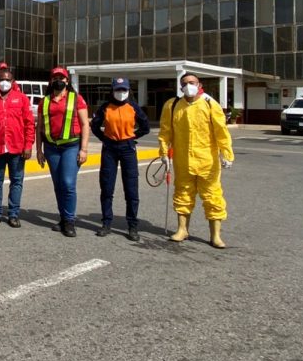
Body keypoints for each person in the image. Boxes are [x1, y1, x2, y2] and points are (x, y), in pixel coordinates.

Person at [158, 72, 234, 248]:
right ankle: (182, 229)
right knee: (182, 194)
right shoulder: (172, 105)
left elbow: (221, 131)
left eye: (192, 82)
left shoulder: (209, 104)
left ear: (199, 84)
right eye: (184, 83)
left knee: (213, 196)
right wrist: (163, 152)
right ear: (180, 87)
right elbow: (165, 131)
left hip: (207, 161)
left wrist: (227, 153)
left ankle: (215, 235)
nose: (188, 85)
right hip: (182, 160)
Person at [90, 77, 150, 241]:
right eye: (118, 90)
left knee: (131, 189)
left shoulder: (133, 107)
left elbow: (145, 126)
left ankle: (132, 226)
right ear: (112, 91)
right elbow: (95, 126)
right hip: (109, 148)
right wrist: (104, 138)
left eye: (124, 90)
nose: (121, 93)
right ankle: (106, 223)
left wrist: (132, 137)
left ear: (129, 91)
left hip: (128, 149)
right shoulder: (105, 107)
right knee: (107, 187)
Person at [36, 67, 90, 237]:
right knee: (58, 185)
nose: (58, 80)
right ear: (51, 81)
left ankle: (69, 220)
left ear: (67, 81)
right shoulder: (44, 101)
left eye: (62, 77)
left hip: (71, 147)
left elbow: (84, 125)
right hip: (51, 148)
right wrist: (38, 150)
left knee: (67, 183)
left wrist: (84, 149)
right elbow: (40, 128)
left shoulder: (76, 99)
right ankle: (63, 218)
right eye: (55, 77)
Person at [0, 69, 35, 227]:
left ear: (13, 81)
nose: (5, 82)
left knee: (16, 182)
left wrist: (28, 145)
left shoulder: (22, 99)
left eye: (8, 80)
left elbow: (29, 124)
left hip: (17, 149)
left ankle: (13, 214)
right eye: (2, 79)